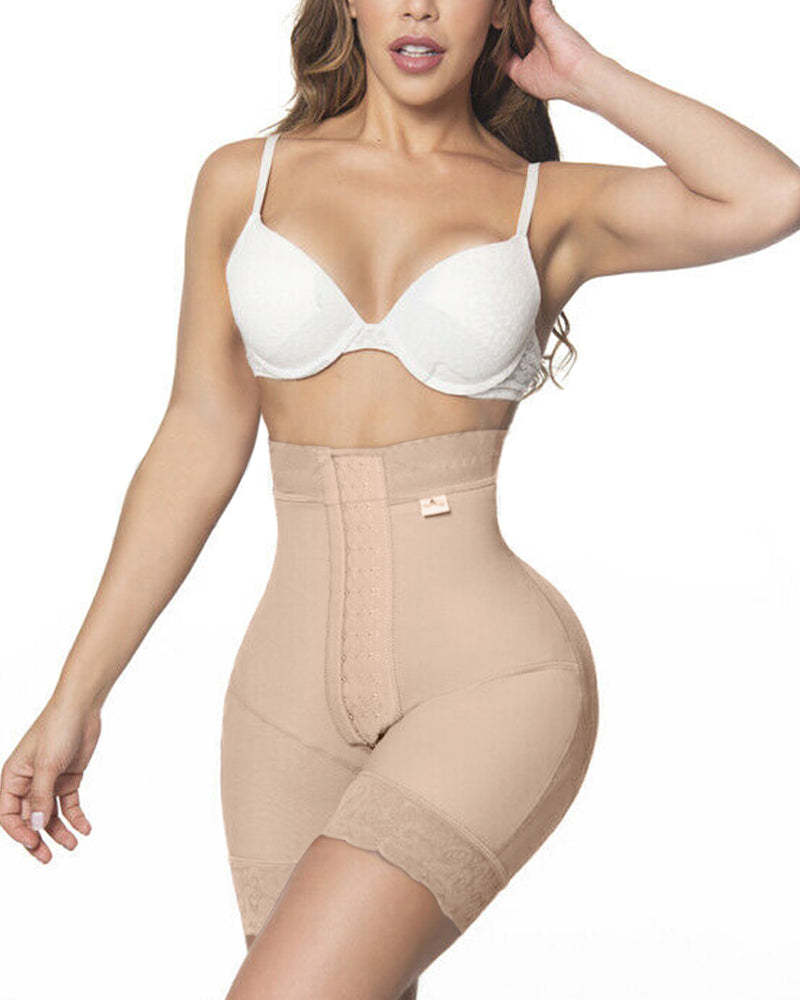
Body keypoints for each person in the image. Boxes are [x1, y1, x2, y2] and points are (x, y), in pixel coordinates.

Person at [3, 0, 799, 996]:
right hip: (284, 700)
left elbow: (770, 194)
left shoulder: (543, 203)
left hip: (490, 680)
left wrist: (586, 76)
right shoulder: (241, 182)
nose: (418, 5)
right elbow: (198, 435)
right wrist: (76, 696)